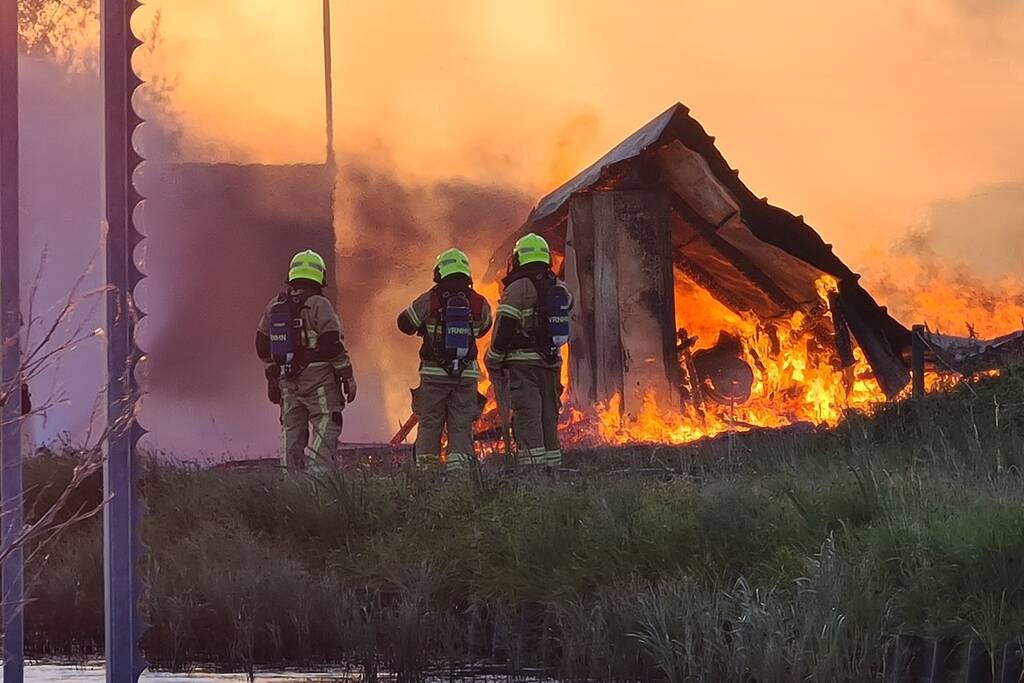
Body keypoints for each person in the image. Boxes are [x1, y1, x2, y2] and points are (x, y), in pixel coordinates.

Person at [256, 249, 356, 469]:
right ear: (320, 276)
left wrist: (273, 375)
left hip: (288, 382)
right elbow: (332, 344)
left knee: (291, 430)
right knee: (326, 424)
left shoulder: (275, 305)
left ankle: (291, 486)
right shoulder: (320, 305)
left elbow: (261, 344)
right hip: (319, 382)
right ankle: (319, 484)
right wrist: (347, 377)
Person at [397, 248, 492, 473]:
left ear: (440, 273)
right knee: (461, 426)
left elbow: (404, 323)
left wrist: (425, 327)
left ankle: (427, 476)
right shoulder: (479, 302)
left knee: (430, 424)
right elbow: (483, 329)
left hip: (434, 375)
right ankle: (459, 478)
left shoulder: (431, 299)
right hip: (466, 376)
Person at [485, 233, 572, 469]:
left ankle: (533, 476)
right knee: (548, 418)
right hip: (551, 364)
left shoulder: (518, 288)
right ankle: (552, 470)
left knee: (528, 419)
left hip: (523, 368)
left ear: (519, 258)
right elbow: (568, 307)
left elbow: (504, 327)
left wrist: (493, 358)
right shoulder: (559, 286)